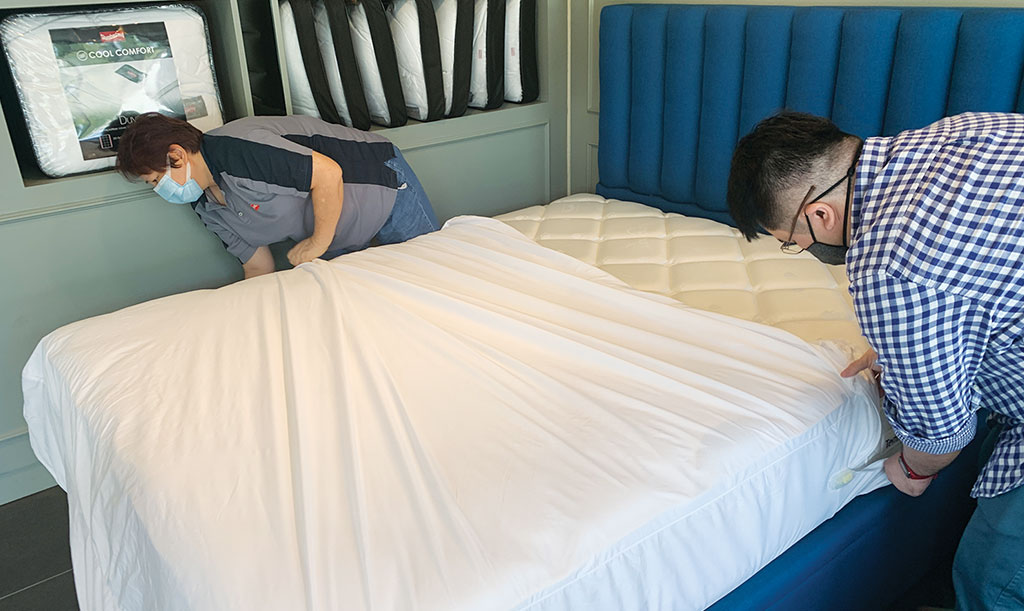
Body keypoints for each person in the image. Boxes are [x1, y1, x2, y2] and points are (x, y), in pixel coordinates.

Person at [727, 111, 1024, 610]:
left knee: (992, 583)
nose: (799, 248)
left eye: (791, 240)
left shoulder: (889, 268)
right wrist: (908, 345)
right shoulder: (963, 131)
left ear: (820, 215)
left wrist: (912, 469)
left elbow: (942, 434)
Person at [116, 113, 440, 279]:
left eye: (156, 179)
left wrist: (316, 245)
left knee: (432, 272)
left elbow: (327, 174)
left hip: (380, 183)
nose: (159, 190)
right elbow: (258, 267)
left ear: (177, 155)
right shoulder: (205, 205)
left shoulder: (239, 150)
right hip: (336, 232)